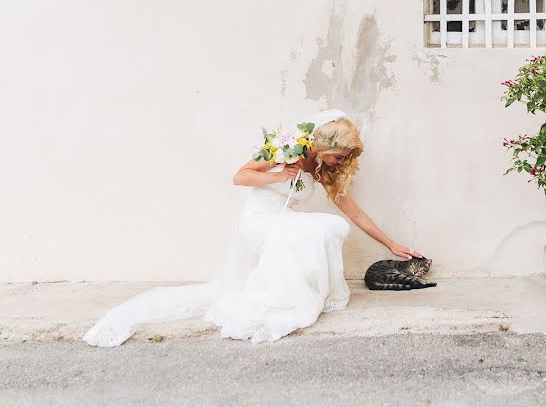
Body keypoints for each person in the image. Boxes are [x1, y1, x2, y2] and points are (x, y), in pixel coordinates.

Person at [84, 109, 422, 346]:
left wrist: (391, 244)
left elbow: (355, 213)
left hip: (283, 220)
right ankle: (279, 299)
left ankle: (294, 294)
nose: (344, 164)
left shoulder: (322, 171)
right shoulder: (287, 148)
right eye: (340, 156)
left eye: (347, 158)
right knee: (311, 231)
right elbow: (240, 176)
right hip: (260, 221)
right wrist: (278, 175)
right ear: (323, 147)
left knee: (331, 225)